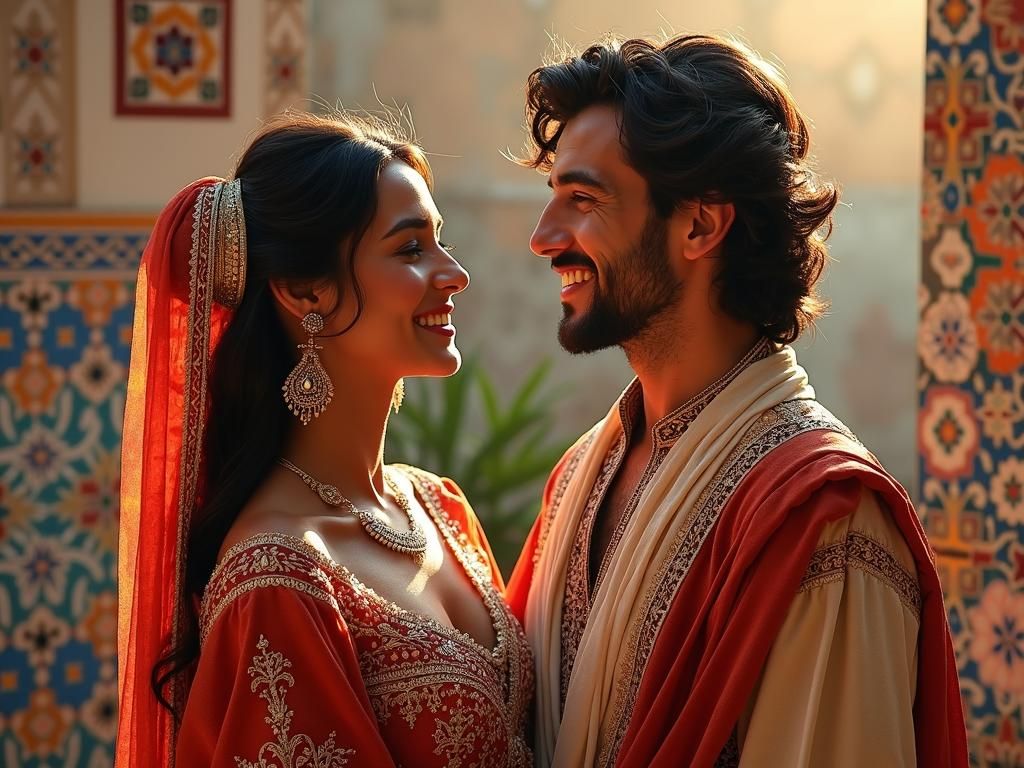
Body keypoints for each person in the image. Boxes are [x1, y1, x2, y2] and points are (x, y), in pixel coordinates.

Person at [506, 34, 968, 767]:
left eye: (583, 199)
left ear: (699, 224)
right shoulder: (575, 483)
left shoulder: (824, 521)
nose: (542, 237)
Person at [115, 112, 533, 767]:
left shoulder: (439, 508)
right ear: (304, 289)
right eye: (410, 249)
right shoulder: (277, 578)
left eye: (439, 241)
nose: (454, 274)